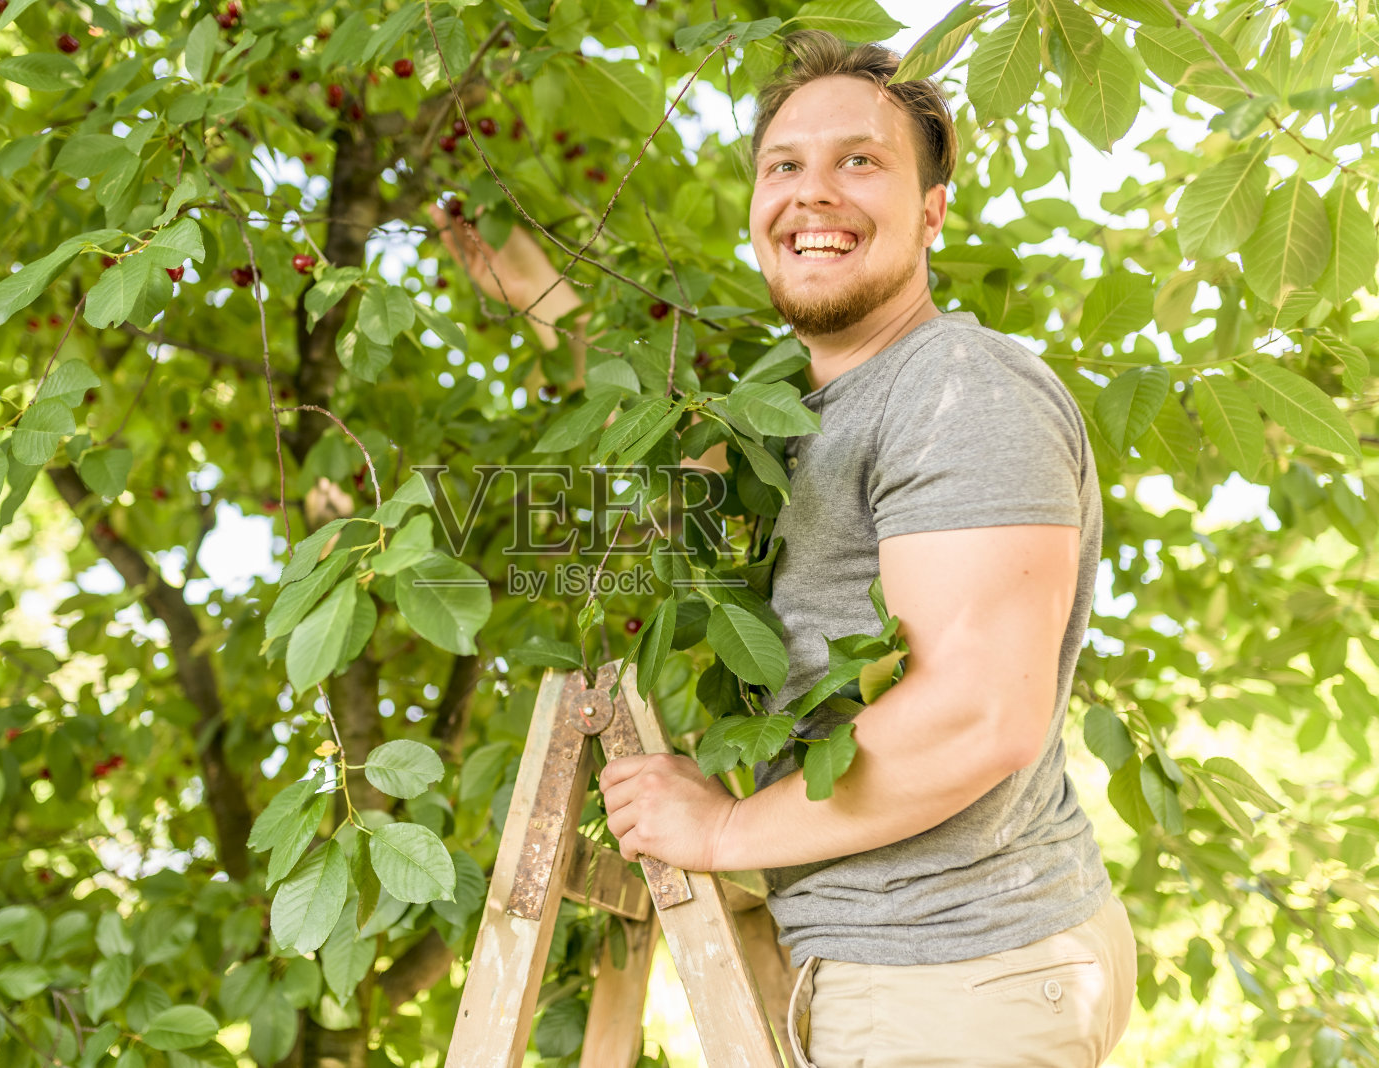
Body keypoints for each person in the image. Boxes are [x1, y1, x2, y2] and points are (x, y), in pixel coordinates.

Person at [432, 32, 1136, 1068]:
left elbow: (980, 714)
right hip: (918, 974)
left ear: (932, 210)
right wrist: (549, 303)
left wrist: (724, 833)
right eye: (784, 165)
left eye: (860, 160)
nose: (813, 192)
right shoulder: (813, 416)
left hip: (948, 978)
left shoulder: (959, 389)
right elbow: (676, 449)